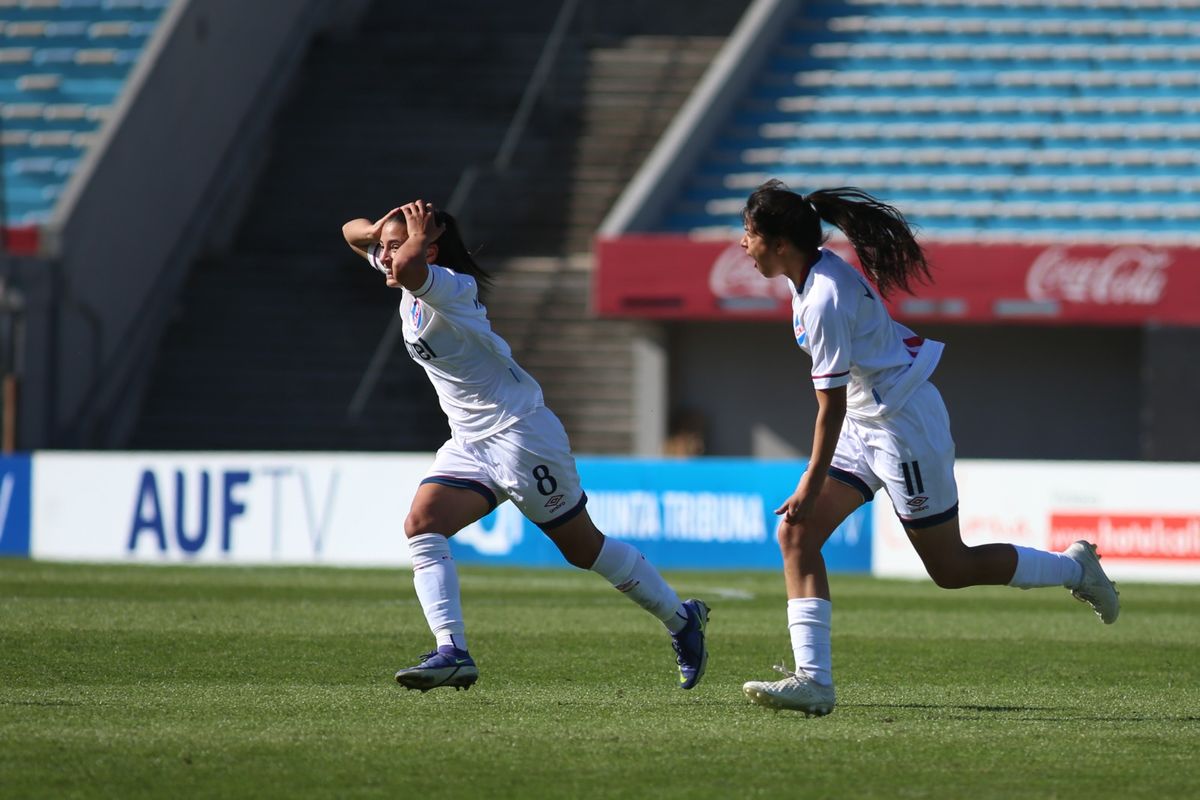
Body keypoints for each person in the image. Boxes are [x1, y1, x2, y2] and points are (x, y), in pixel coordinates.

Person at [736, 181, 1119, 717]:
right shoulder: (810, 279)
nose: (742, 244)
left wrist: (809, 480)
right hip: (870, 420)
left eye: (749, 233)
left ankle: (1076, 569)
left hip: (902, 426)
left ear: (779, 243)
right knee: (796, 534)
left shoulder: (822, 295)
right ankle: (814, 682)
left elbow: (831, 407)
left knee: (951, 568)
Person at [341, 200, 708, 692]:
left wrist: (406, 241)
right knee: (422, 524)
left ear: (430, 248)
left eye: (393, 247)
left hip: (520, 435)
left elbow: (406, 265)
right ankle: (453, 651)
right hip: (470, 441)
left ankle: (681, 618)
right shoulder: (406, 267)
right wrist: (390, 226)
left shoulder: (447, 285)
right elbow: (351, 232)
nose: (384, 258)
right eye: (382, 250)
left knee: (583, 549)